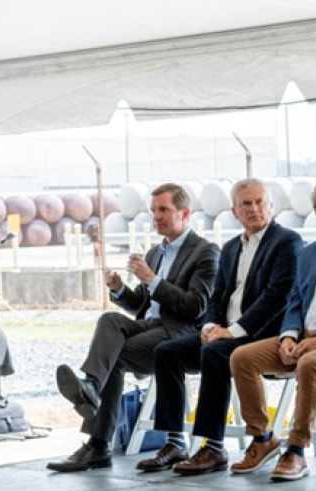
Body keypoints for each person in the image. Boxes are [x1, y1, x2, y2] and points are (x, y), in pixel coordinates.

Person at [47, 183, 220, 472]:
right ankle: (91, 387)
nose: (157, 217)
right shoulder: (155, 253)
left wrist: (152, 280)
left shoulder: (205, 251)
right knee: (108, 320)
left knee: (113, 357)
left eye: (164, 210)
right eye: (153, 211)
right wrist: (119, 289)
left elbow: (195, 307)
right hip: (148, 327)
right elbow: (141, 303)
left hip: (179, 334)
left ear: (185, 212)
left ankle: (98, 442)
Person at [136, 179, 302, 476]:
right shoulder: (230, 248)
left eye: (259, 202)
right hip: (224, 333)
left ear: (271, 206)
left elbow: (278, 297)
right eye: (246, 204)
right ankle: (174, 441)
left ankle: (213, 447)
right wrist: (211, 323)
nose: (254, 209)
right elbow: (216, 296)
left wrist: (233, 331)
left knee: (214, 353)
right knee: (167, 352)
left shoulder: (286, 242)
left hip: (263, 334)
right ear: (235, 211)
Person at [227, 176, 316, 480]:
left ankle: (296, 449)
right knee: (242, 357)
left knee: (308, 365)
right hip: (302, 335)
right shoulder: (309, 253)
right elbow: (295, 300)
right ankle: (263, 439)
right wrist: (288, 335)